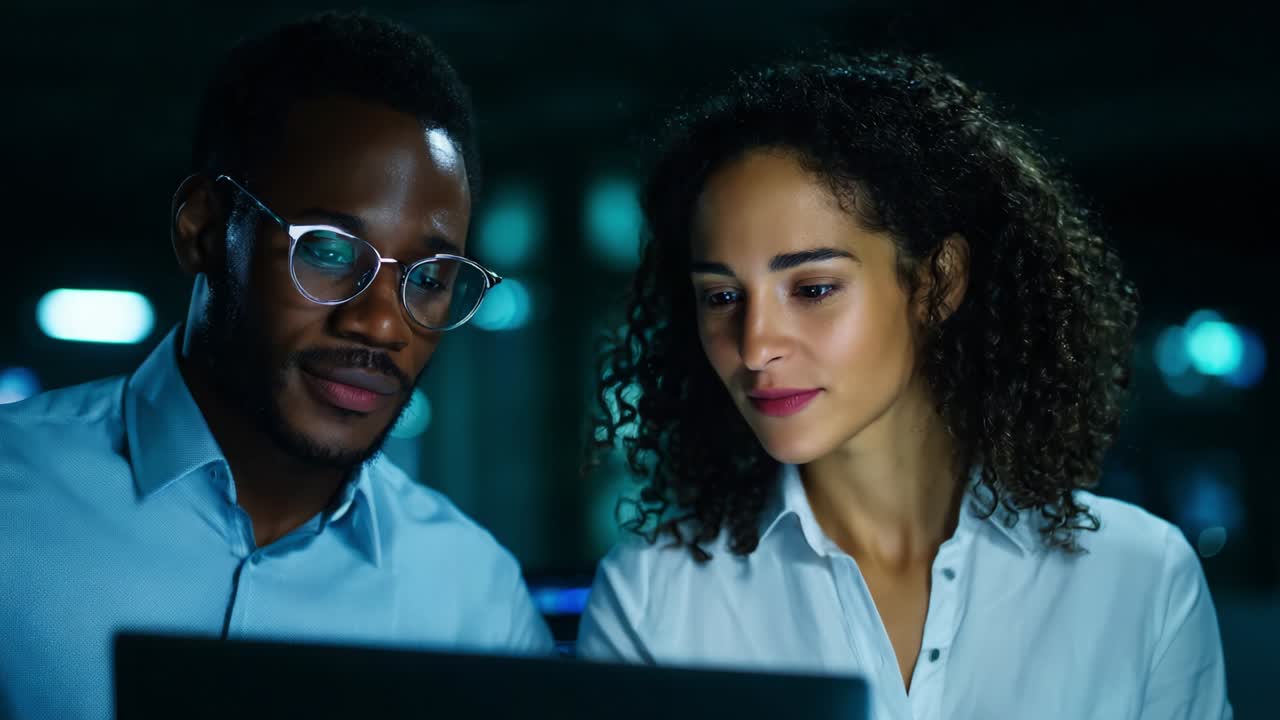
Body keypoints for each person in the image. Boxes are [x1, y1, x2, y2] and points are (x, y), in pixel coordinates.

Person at [578, 52, 1230, 719]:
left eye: (814, 288)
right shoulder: (653, 598)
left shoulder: (1141, 580)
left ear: (936, 283)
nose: (755, 345)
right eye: (720, 296)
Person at [0, 11, 551, 719]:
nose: (382, 323)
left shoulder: (476, 601)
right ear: (202, 229)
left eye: (432, 276)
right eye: (325, 249)